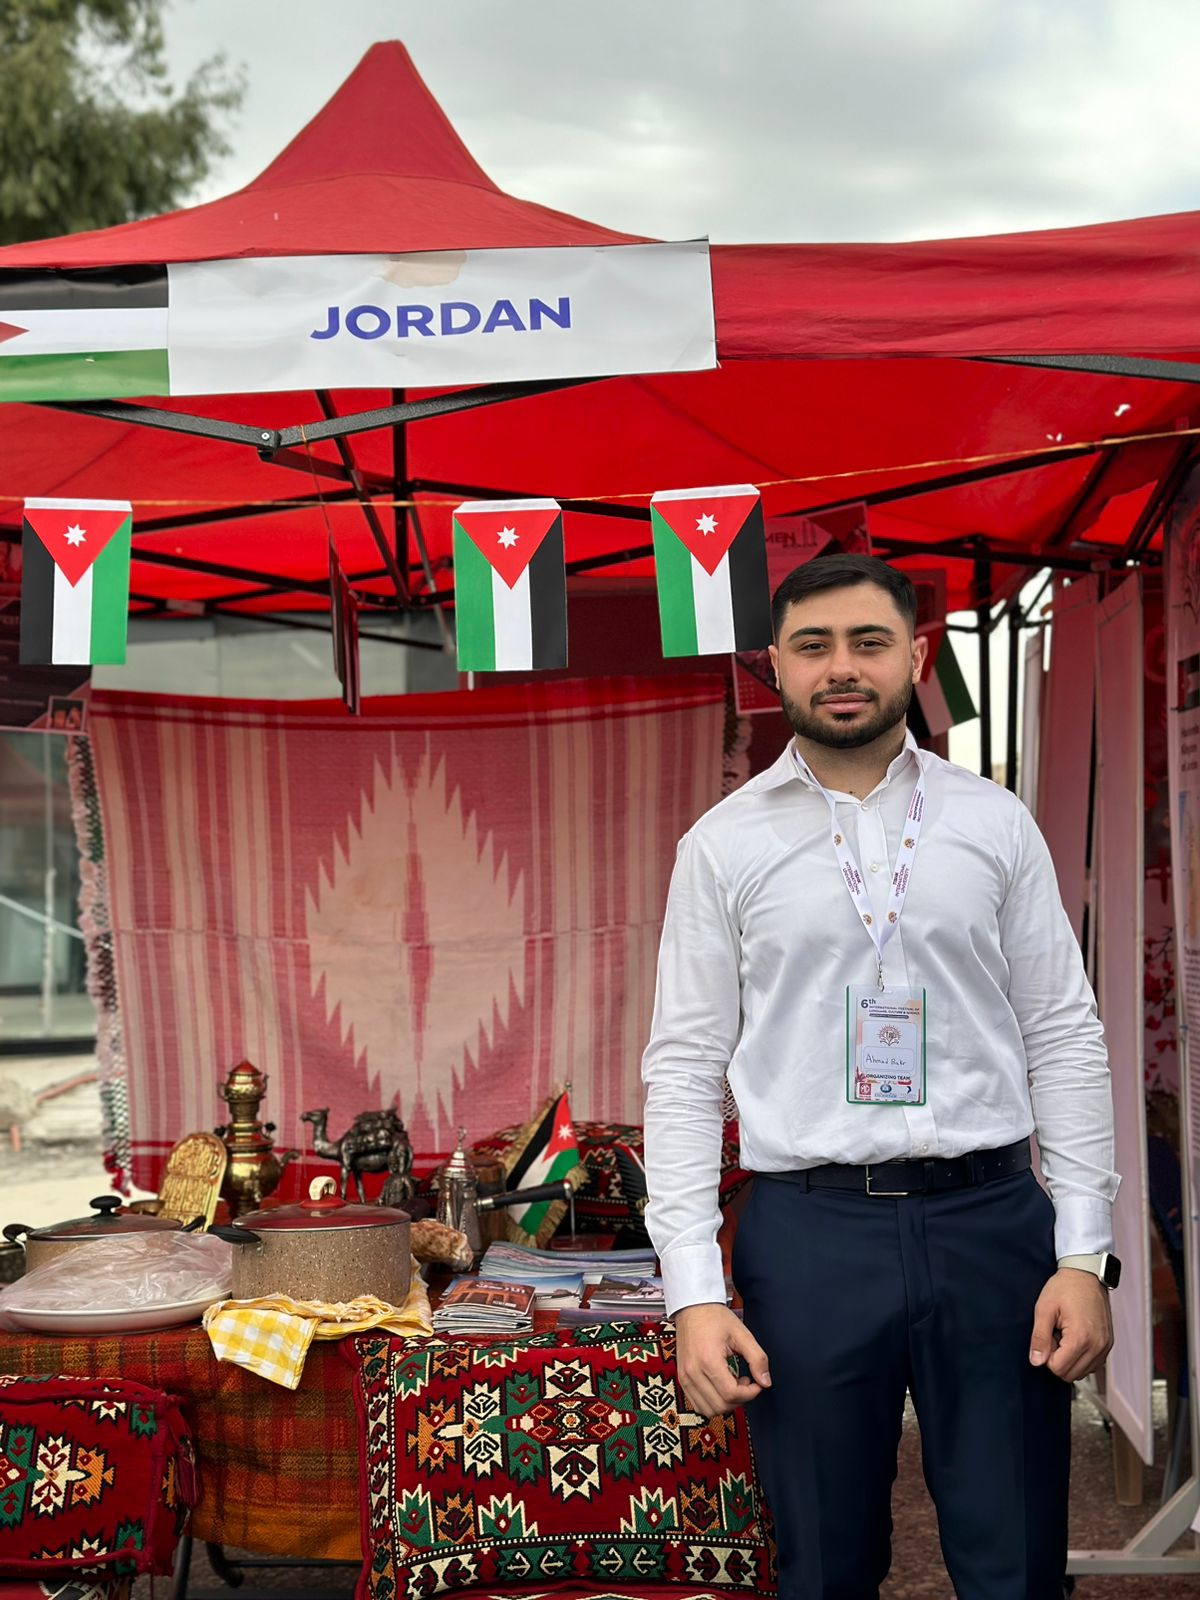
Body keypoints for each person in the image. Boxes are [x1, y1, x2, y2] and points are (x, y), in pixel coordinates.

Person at [641, 553, 1118, 1600]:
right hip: (811, 1235)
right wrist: (692, 1291)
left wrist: (1084, 1253)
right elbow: (682, 1068)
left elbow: (1064, 1034)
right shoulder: (721, 845)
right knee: (822, 1562)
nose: (842, 668)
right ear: (774, 666)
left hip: (992, 1225)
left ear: (918, 654)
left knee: (1016, 1559)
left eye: (868, 642)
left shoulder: (993, 822)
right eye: (813, 646)